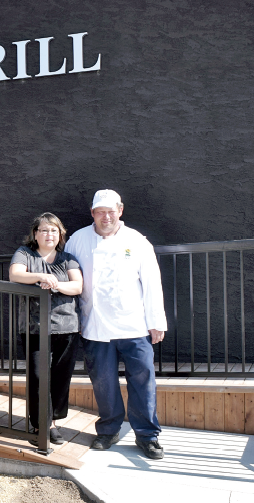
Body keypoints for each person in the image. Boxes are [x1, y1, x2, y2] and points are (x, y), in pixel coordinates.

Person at [64, 189, 168, 460]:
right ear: (92, 213)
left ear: (120, 211)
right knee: (103, 381)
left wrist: (157, 322)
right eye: (100, 211)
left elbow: (152, 283)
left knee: (143, 379)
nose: (106, 216)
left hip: (134, 324)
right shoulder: (78, 239)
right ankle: (109, 429)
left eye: (111, 211)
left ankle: (147, 435)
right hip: (95, 325)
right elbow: (67, 277)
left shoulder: (137, 241)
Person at [9, 212, 83, 446]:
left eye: (54, 230)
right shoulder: (25, 254)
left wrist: (55, 284)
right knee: (39, 377)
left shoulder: (67, 258)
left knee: (61, 378)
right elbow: (15, 274)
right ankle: (41, 424)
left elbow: (77, 286)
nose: (49, 234)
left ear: (60, 234)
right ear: (35, 234)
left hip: (66, 327)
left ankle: (53, 422)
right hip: (35, 328)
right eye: (44, 230)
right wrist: (42, 276)